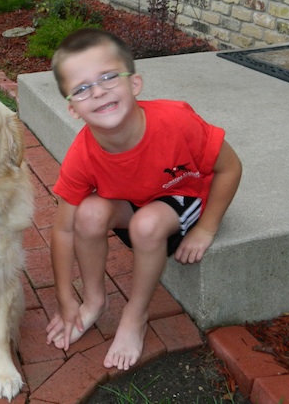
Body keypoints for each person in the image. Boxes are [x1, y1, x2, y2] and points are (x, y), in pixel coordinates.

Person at [45, 28, 242, 371]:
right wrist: (66, 300)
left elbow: (230, 169)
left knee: (147, 224)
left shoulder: (176, 121)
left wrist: (206, 229)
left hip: (184, 195)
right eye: (82, 88)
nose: (99, 91)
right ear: (73, 109)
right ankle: (94, 301)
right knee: (87, 213)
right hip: (136, 200)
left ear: (134, 84)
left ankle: (135, 315)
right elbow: (63, 230)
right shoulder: (82, 154)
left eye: (108, 77)